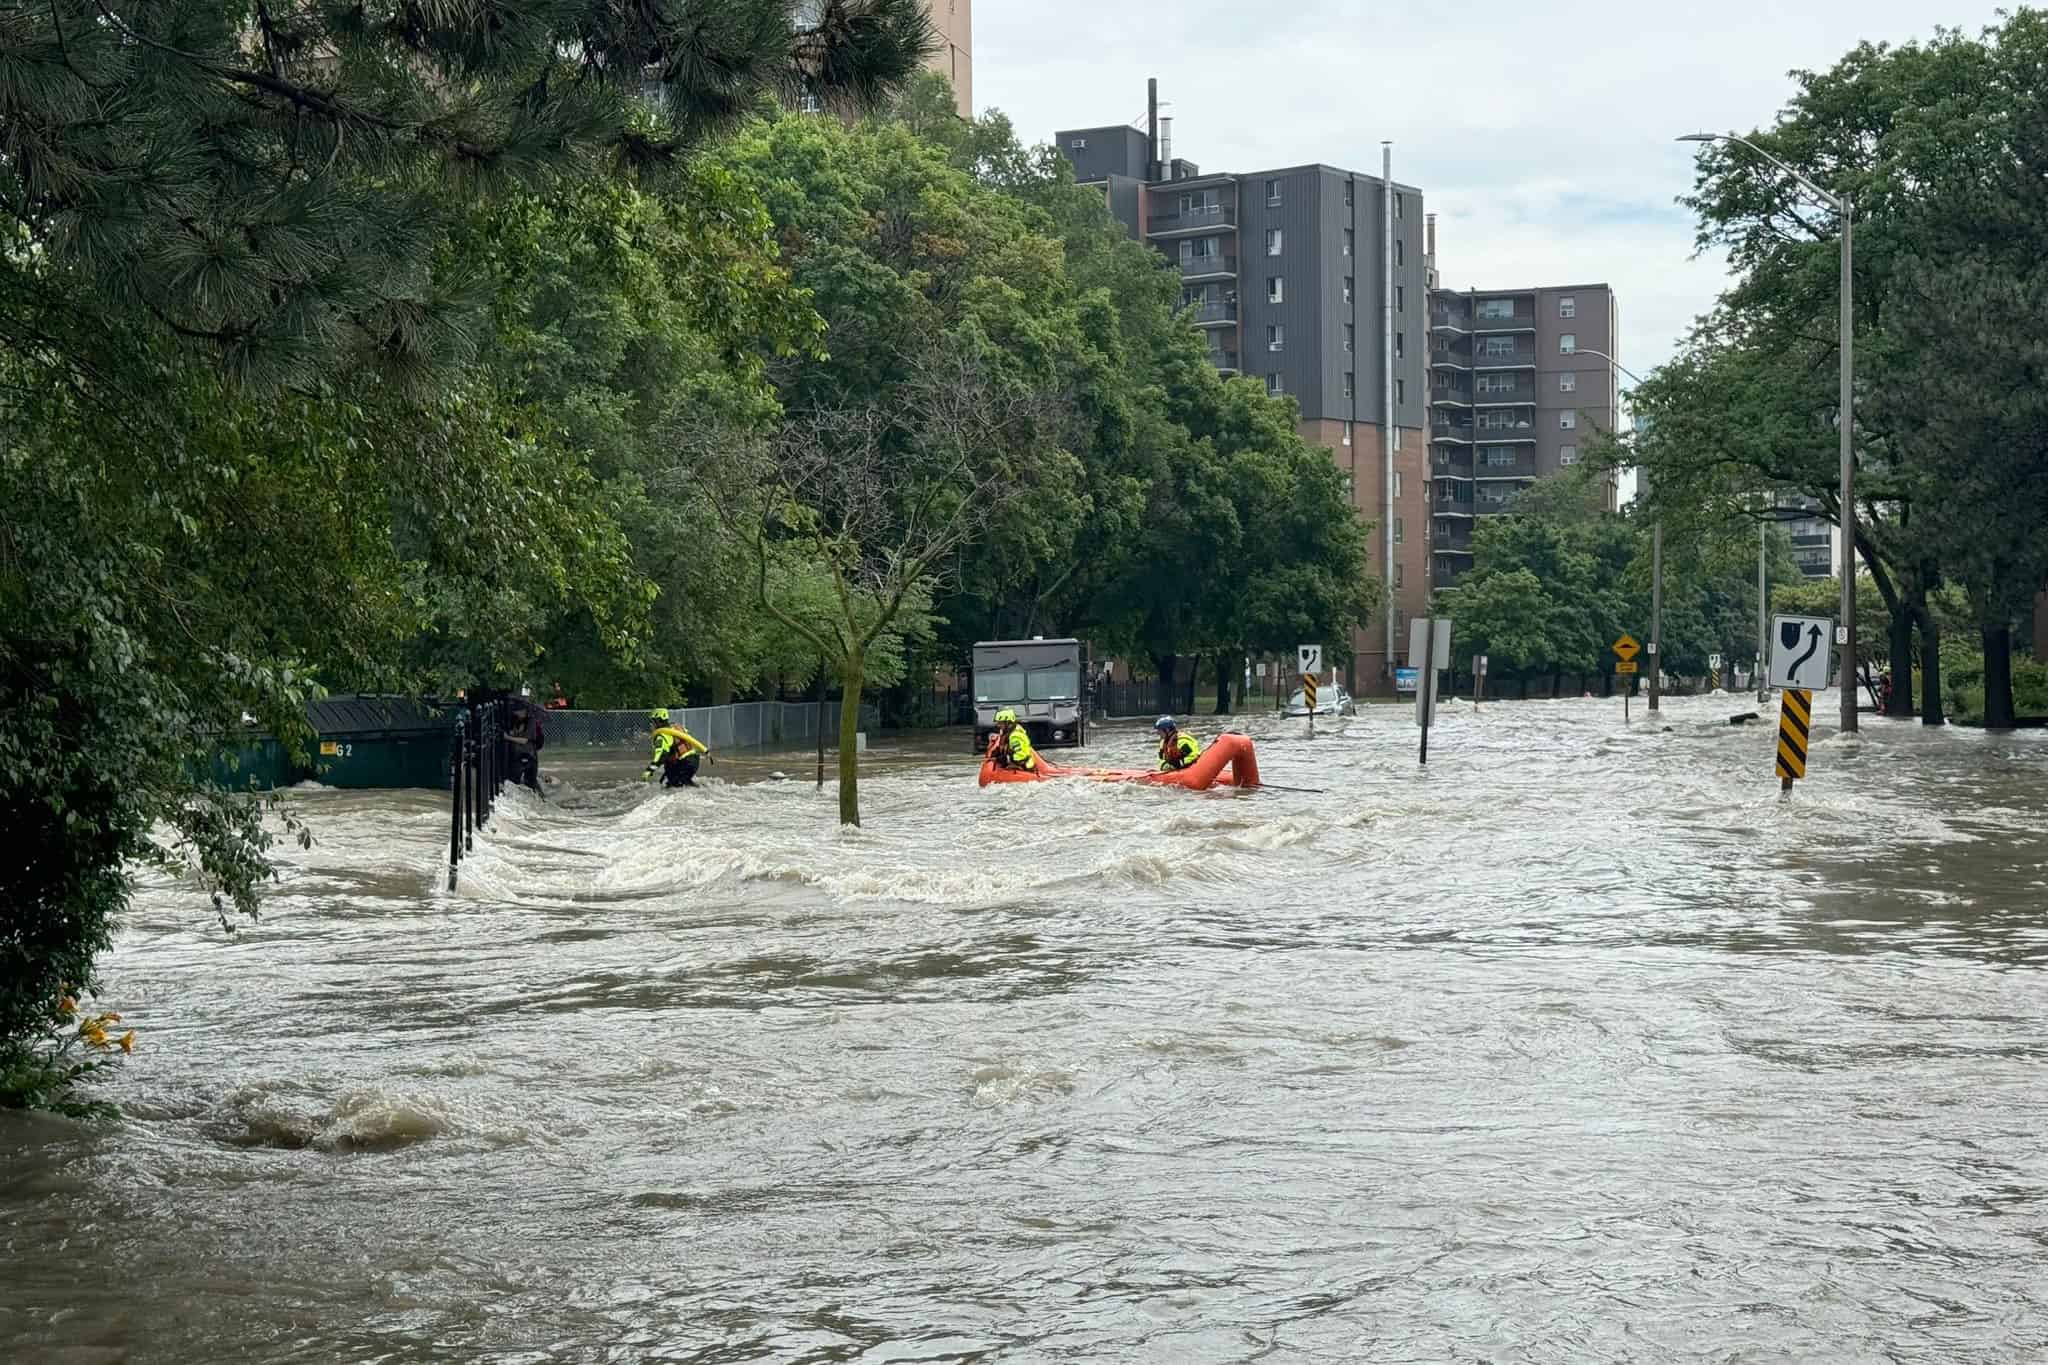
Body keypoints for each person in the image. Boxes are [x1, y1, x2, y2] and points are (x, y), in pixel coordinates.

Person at [644, 708, 710, 787]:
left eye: (653, 721)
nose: (651, 724)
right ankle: (701, 789)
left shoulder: (662, 736)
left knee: (675, 786)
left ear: (658, 721)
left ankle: (700, 793)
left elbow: (662, 755)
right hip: (694, 760)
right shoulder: (676, 727)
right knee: (681, 783)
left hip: (684, 763)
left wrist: (650, 769)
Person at [987, 708, 1039, 773]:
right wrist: (997, 754)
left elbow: (1020, 756)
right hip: (1016, 765)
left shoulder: (1015, 736)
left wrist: (1006, 759)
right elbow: (1005, 748)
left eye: (1000, 723)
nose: (998, 725)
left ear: (1008, 723)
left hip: (1024, 767)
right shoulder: (1006, 733)